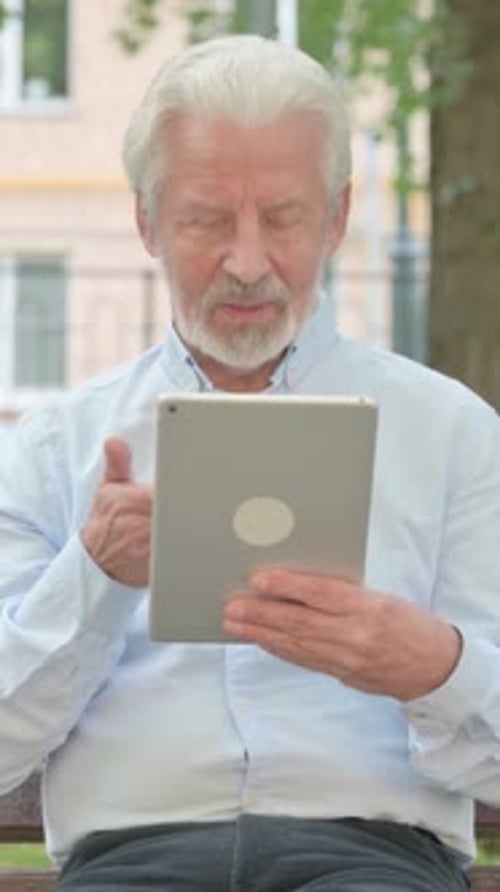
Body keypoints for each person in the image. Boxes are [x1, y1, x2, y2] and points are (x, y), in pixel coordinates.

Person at [0, 34, 499, 892]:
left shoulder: (454, 433)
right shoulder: (55, 449)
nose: (245, 262)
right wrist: (92, 578)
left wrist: (436, 666)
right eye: (204, 218)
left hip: (375, 859)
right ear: (146, 221)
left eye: (282, 216)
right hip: (133, 860)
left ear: (338, 217)